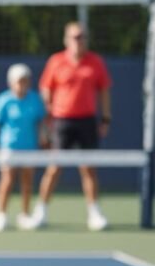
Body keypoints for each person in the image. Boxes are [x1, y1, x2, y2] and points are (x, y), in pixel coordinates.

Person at [31, 21, 113, 231]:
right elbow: (46, 88)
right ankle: (41, 211)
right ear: (66, 40)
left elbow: (104, 91)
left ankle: (94, 212)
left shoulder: (96, 62)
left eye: (82, 36)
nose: (79, 40)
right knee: (54, 167)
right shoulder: (56, 61)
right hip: (61, 121)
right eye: (75, 37)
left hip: (86, 121)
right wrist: (48, 114)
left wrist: (105, 118)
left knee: (88, 169)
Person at [0, 63, 46, 231]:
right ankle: (1, 215)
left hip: (30, 148)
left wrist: (44, 139)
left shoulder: (35, 99)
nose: (22, 84)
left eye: (26, 80)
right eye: (19, 81)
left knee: (27, 181)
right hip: (8, 147)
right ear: (11, 82)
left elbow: (41, 123)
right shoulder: (3, 100)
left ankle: (25, 215)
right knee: (8, 179)